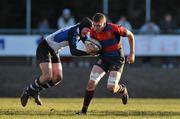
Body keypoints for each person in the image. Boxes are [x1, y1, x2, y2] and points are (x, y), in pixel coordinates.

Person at [20, 17, 93, 107]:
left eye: (89, 31)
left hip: (54, 51)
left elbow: (87, 42)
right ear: (83, 27)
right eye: (87, 30)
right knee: (47, 76)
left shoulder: (80, 30)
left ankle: (35, 90)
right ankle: (28, 90)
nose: (87, 33)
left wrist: (95, 50)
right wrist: (88, 53)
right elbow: (73, 52)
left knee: (58, 77)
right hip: (45, 47)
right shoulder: (73, 31)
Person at [77, 13, 135, 115]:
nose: (95, 28)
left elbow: (131, 35)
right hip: (104, 58)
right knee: (91, 82)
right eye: (94, 25)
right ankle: (83, 111)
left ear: (104, 24)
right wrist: (91, 50)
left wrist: (132, 53)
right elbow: (94, 47)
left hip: (117, 59)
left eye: (98, 25)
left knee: (111, 88)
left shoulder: (114, 28)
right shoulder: (93, 31)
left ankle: (122, 89)